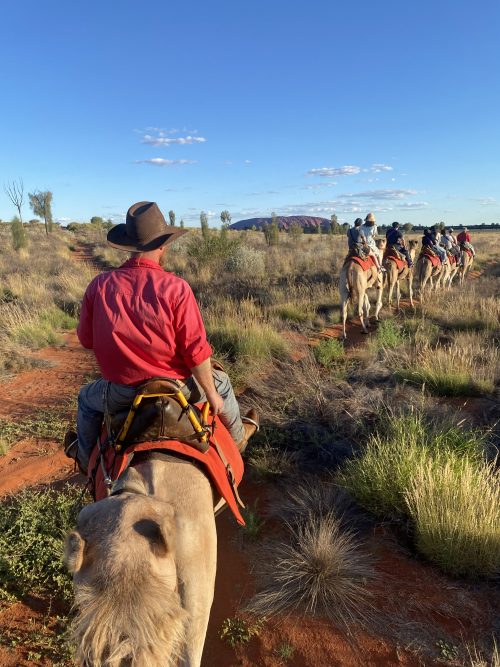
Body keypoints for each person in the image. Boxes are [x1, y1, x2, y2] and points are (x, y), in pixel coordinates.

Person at [68, 201, 259, 473]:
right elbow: (195, 351)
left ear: (129, 245)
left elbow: (87, 341)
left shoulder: (99, 286)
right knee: (223, 384)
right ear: (162, 245)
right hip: (177, 388)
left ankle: (87, 462)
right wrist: (212, 395)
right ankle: (239, 440)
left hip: (122, 392)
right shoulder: (176, 288)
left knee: (87, 399)